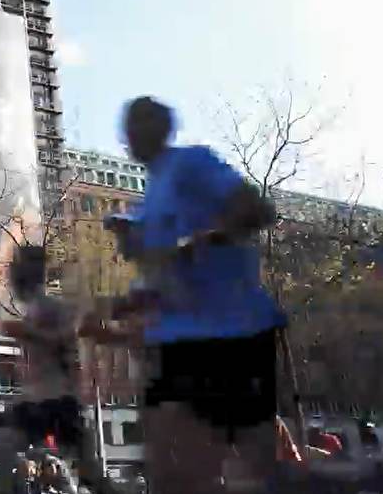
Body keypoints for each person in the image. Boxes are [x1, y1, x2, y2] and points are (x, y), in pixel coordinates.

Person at [114, 96, 285, 494]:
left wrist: (195, 242)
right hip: (178, 339)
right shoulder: (151, 191)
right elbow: (168, 271)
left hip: (233, 332)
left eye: (139, 123)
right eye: (128, 124)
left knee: (244, 467)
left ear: (161, 127)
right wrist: (136, 295)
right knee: (166, 467)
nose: (130, 133)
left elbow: (258, 210)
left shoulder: (192, 163)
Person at [0, 245, 108, 494]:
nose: (10, 282)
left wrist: (29, 334)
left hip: (59, 400)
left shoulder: (52, 307)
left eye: (14, 275)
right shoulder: (32, 310)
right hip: (37, 399)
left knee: (91, 476)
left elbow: (65, 339)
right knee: (5, 443)